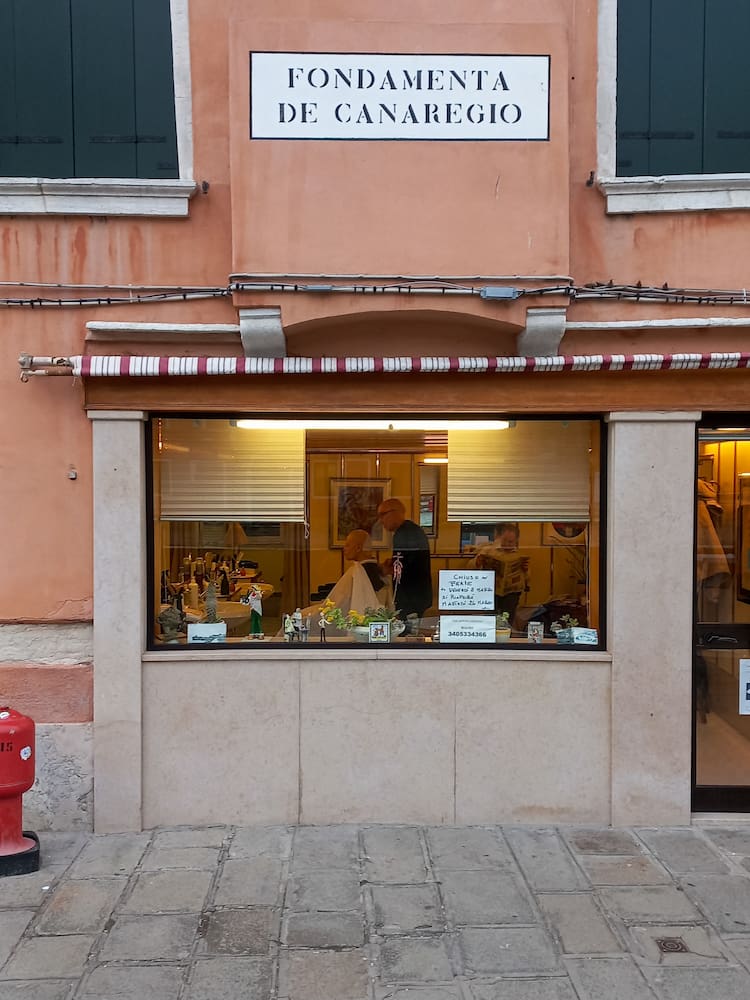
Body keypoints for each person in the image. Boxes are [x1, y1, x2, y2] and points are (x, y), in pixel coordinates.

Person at [377, 497, 433, 623]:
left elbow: (403, 568)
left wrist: (388, 569)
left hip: (411, 597)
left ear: (395, 512)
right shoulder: (410, 531)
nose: (381, 521)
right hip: (415, 595)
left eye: (382, 515)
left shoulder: (405, 533)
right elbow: (409, 561)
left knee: (408, 636)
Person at [472, 522, 530, 626]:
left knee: (507, 619)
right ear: (499, 538)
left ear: (516, 541)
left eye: (510, 542)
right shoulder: (488, 551)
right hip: (491, 590)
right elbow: (470, 567)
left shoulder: (520, 555)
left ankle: (506, 638)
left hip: (511, 592)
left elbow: (528, 579)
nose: (507, 544)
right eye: (504, 541)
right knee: (489, 619)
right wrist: (478, 562)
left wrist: (525, 570)